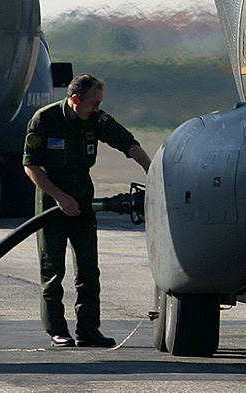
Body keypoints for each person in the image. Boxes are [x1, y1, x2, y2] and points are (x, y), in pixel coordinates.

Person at [24, 73, 151, 348]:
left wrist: (152, 170)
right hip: (51, 201)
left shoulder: (96, 119)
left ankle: (89, 329)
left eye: (98, 104)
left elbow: (127, 142)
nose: (97, 109)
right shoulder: (44, 120)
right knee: (53, 271)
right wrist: (59, 198)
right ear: (74, 100)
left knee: (89, 271)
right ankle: (57, 330)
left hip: (82, 198)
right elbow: (31, 166)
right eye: (93, 103)